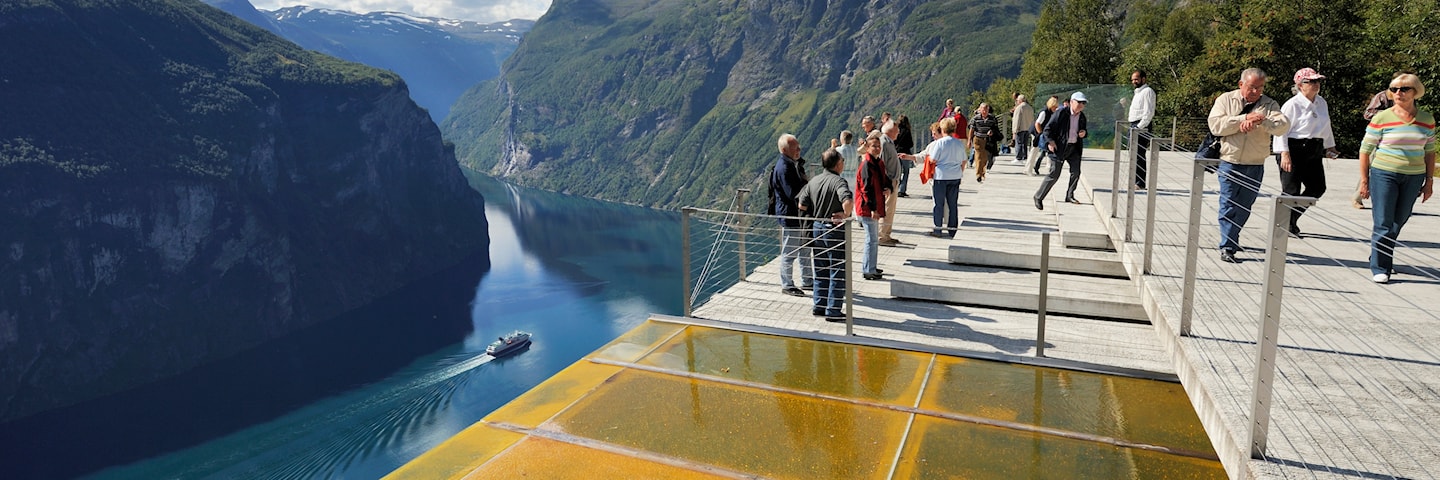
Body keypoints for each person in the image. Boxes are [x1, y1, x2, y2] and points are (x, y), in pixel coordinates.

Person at [1207, 68, 1291, 264]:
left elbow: (1283, 126)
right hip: (1230, 161)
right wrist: (1243, 119)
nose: (1256, 92)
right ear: (1241, 84)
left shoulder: (1269, 104)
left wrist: (1261, 120)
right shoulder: (1225, 100)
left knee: (1244, 206)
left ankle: (1232, 236)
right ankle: (1227, 245)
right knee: (1228, 203)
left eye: (1260, 88)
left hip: (1255, 163)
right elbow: (1216, 125)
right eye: (1252, 87)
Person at [1358, 73, 1435, 284]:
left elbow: (1429, 151)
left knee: (1398, 221)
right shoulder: (1382, 118)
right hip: (1384, 173)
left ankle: (1378, 252)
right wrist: (1364, 180)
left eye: (1404, 89)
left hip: (1414, 176)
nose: (1398, 93)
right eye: (1394, 89)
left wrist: (1429, 181)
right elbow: (1365, 150)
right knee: (1383, 222)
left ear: (1415, 92)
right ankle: (1381, 267)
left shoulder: (1427, 119)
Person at [1273, 68, 1339, 237]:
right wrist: (1284, 154)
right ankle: (1284, 224)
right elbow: (1281, 131)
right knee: (1291, 190)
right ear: (1300, 86)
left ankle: (1290, 219)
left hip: (1314, 148)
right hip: (1293, 149)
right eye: (1311, 82)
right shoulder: (1292, 105)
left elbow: (1326, 126)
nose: (1316, 85)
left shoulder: (1321, 102)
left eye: (1317, 81)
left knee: (1317, 188)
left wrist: (1329, 147)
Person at [796, 148, 854, 320]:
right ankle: (833, 310)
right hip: (833, 229)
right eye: (842, 160)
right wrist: (845, 215)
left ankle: (819, 305)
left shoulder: (814, 181)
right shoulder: (839, 182)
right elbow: (848, 202)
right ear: (837, 164)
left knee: (820, 269)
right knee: (837, 269)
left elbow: (802, 205)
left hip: (817, 227)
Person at [902, 117, 967, 238]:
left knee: (938, 204)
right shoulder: (958, 143)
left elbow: (933, 159)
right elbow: (963, 161)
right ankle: (952, 229)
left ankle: (938, 229)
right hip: (955, 176)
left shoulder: (939, 143)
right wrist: (959, 172)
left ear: (942, 129)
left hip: (941, 176)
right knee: (953, 204)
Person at [767, 134, 813, 295]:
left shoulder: (792, 164)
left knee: (805, 248)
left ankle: (807, 280)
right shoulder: (785, 168)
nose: (799, 150)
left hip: (797, 214)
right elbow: (792, 193)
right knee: (790, 251)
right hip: (791, 215)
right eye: (796, 148)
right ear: (786, 150)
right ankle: (787, 284)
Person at [1033, 92, 1090, 209]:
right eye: (1079, 102)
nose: (1081, 105)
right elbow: (1047, 129)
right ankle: (1038, 197)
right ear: (1072, 102)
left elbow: (1084, 130)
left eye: (1083, 103)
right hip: (1059, 148)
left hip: (1074, 148)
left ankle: (1070, 195)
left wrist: (1084, 133)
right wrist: (1051, 142)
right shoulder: (1061, 113)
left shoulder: (1082, 116)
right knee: (1054, 174)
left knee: (1076, 172)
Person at [1354, 84, 1399, 209]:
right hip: (1378, 138)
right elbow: (1367, 113)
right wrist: (1389, 113)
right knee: (1371, 168)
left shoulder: (1409, 99)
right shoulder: (1382, 96)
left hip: (1398, 140)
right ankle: (1357, 198)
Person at [854, 132, 890, 280]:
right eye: (874, 146)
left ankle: (872, 267)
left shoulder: (877, 163)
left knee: (873, 239)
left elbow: (883, 180)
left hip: (874, 206)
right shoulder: (866, 165)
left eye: (878, 146)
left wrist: (888, 188)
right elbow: (865, 190)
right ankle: (868, 270)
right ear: (867, 148)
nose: (877, 148)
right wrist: (874, 209)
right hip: (866, 208)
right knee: (871, 239)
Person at [1129, 70, 1156, 188]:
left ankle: (1140, 182)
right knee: (1133, 155)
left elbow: (1148, 113)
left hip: (1141, 127)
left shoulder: (1148, 92)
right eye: (1133, 79)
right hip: (1134, 125)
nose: (1134, 81)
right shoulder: (1138, 93)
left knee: (1139, 155)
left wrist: (1138, 128)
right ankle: (1135, 180)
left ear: (1143, 79)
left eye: (1136, 79)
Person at [878, 121, 903, 246]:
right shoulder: (884, 143)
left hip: (893, 180)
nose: (898, 132)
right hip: (889, 182)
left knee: (890, 209)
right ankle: (882, 236)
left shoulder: (888, 142)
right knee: (887, 209)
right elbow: (882, 165)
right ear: (890, 131)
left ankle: (887, 234)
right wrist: (886, 184)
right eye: (896, 130)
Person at [1028, 96, 1060, 175]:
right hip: (1036, 133)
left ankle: (1034, 168)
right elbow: (1037, 124)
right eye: (1054, 106)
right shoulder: (1044, 112)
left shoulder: (1051, 113)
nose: (1055, 108)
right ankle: (1028, 169)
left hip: (1042, 133)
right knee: (1034, 151)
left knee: (1040, 151)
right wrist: (1041, 134)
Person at [969, 103, 1001, 182]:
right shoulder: (975, 119)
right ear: (980, 110)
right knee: (978, 156)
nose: (984, 111)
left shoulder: (992, 118)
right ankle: (978, 174)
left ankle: (982, 172)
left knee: (985, 158)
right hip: (978, 139)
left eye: (986, 109)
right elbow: (971, 130)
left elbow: (995, 128)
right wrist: (969, 140)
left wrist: (992, 132)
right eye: (983, 109)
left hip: (988, 140)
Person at [1012, 95, 1035, 166]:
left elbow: (1017, 119)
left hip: (1020, 128)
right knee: (1025, 143)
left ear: (1020, 100)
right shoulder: (1030, 108)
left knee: (1019, 143)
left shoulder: (1019, 108)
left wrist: (1015, 129)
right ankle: (1025, 157)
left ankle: (1018, 157)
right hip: (1028, 128)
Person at [895, 115, 916, 197]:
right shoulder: (907, 131)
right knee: (906, 171)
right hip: (905, 153)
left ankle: (896, 188)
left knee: (898, 172)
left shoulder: (896, 130)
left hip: (896, 152)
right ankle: (902, 190)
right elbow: (911, 143)